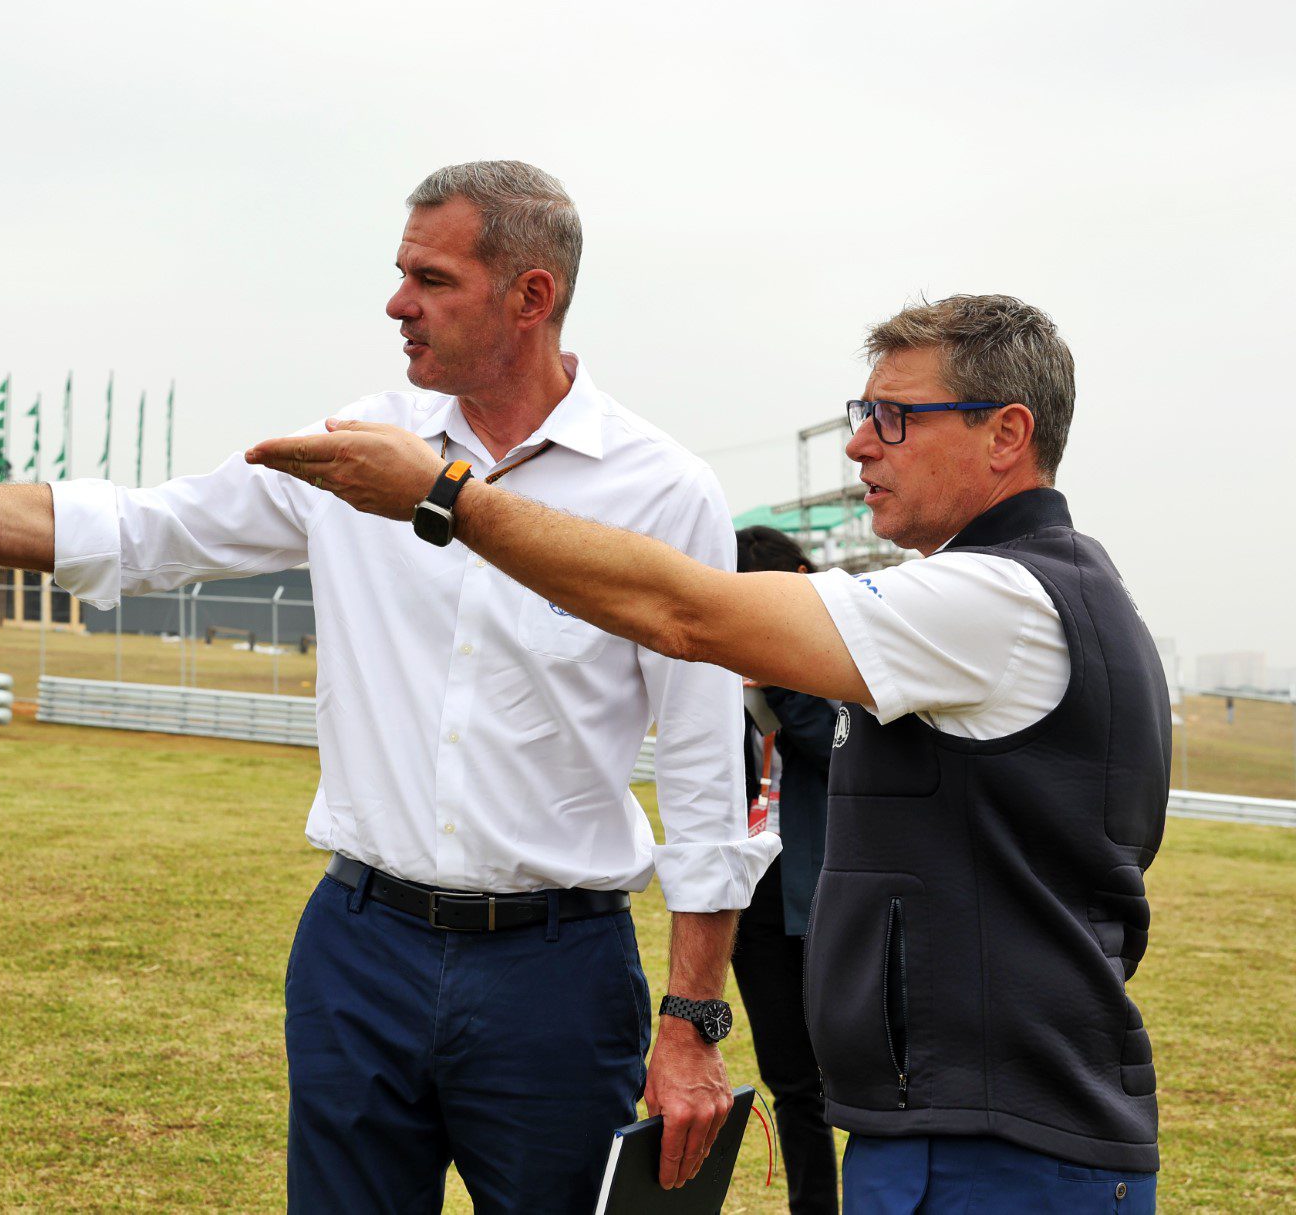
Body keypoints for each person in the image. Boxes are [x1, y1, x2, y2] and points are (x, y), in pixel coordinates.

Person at [0, 161, 777, 1212]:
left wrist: (690, 1022)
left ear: (530, 296)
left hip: (557, 971)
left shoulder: (660, 489)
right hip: (361, 949)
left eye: (431, 279)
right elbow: (131, 533)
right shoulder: (354, 450)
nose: (395, 303)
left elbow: (697, 772)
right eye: (400, 272)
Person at [249, 293, 1169, 1212]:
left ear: (1006, 433)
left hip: (997, 1145)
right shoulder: (1036, 594)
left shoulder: (997, 603)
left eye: (894, 416)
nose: (860, 445)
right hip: (977, 1123)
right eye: (863, 416)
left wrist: (446, 495)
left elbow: (686, 615)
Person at [731, 525, 838, 1215]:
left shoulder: (848, 648)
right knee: (793, 1083)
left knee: (861, 1086)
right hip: (753, 891)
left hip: (824, 891)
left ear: (800, 576)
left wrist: (779, 673)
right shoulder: (723, 662)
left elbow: (840, 747)